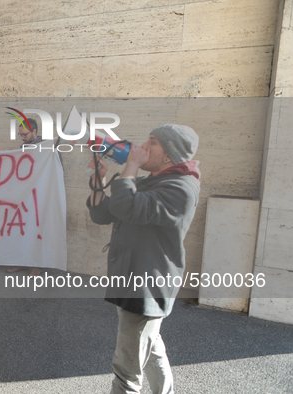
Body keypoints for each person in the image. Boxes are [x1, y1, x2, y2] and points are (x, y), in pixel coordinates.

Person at [86, 124, 201, 394]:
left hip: (147, 284)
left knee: (126, 373)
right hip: (132, 278)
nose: (143, 146)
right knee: (151, 348)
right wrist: (101, 180)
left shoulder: (181, 188)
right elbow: (103, 214)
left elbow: (128, 205)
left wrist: (131, 168)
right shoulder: (153, 181)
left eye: (152, 142)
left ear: (169, 156)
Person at [7, 118, 43, 276]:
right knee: (23, 229)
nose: (21, 137)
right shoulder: (23, 148)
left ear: (34, 131)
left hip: (41, 195)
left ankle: (39, 265)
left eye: (24, 134)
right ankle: (23, 261)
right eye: (19, 134)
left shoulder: (48, 146)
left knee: (38, 231)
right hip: (25, 195)